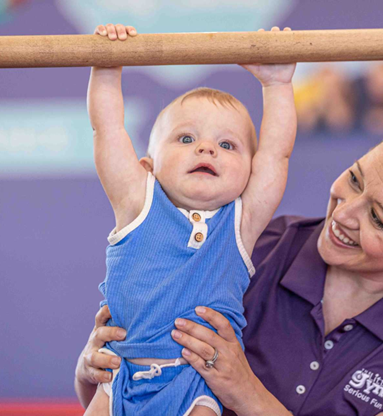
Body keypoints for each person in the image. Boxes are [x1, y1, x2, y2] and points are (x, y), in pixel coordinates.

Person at [76, 125, 383, 415]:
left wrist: (248, 396)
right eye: (354, 180)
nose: (344, 212)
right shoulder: (246, 249)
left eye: (378, 219)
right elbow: (133, 395)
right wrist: (96, 368)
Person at [83, 23, 297, 416]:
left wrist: (278, 85)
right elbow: (107, 129)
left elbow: (276, 156)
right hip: (120, 375)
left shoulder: (239, 223)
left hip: (195, 381)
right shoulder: (138, 202)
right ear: (148, 166)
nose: (206, 148)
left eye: (227, 144)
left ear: (249, 174)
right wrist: (107, 67)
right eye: (185, 139)